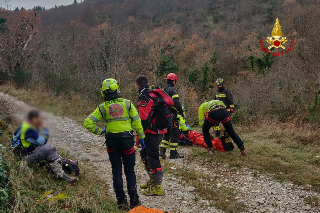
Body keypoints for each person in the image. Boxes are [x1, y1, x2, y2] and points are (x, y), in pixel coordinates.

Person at [84, 78, 145, 210]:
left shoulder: (102, 107)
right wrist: (141, 137)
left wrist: (100, 131)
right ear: (117, 89)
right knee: (129, 171)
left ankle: (121, 203)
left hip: (112, 141)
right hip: (127, 140)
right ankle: (134, 201)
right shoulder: (127, 104)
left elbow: (88, 122)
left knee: (116, 171)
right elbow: (137, 122)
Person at [11, 110, 78, 182]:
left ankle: (66, 163)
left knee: (48, 148)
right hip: (22, 159)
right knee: (49, 147)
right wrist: (45, 128)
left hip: (24, 154)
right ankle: (61, 176)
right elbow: (42, 141)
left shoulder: (27, 125)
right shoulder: (27, 129)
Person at [136, 75, 173, 196]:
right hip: (160, 130)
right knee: (144, 154)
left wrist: (139, 136)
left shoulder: (144, 97)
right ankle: (153, 181)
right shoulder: (154, 94)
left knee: (153, 157)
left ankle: (158, 187)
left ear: (137, 85)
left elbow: (144, 120)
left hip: (151, 132)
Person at [160, 73, 184, 159]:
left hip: (164, 116)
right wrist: (181, 112)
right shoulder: (172, 90)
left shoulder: (163, 89)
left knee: (167, 134)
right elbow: (176, 103)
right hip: (172, 115)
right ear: (174, 81)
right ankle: (173, 153)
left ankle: (162, 151)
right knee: (175, 134)